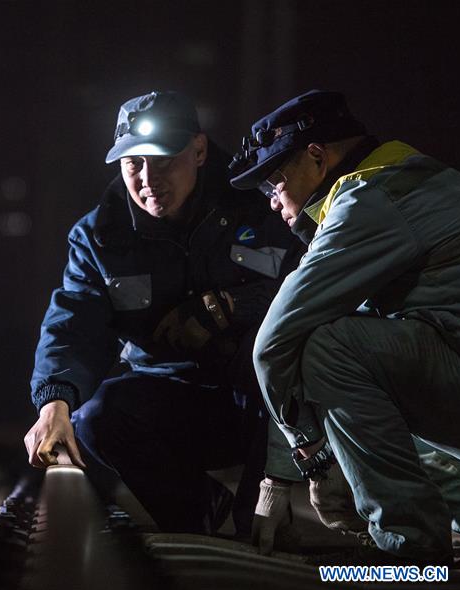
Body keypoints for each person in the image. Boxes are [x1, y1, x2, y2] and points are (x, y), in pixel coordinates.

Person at [24, 90, 305, 535]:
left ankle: (259, 521)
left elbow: (313, 290)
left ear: (198, 151)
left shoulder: (265, 206)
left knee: (279, 374)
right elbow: (75, 323)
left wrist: (229, 308)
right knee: (95, 417)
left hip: (264, 401)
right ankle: (198, 518)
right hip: (171, 401)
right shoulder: (99, 238)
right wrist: (54, 400)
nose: (148, 178)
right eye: (133, 163)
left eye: (164, 160)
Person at [228, 89, 460, 564]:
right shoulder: (408, 178)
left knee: (333, 347)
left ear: (317, 156)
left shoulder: (369, 200)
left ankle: (414, 557)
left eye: (274, 182)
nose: (272, 201)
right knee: (373, 361)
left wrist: (314, 459)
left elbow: (274, 342)